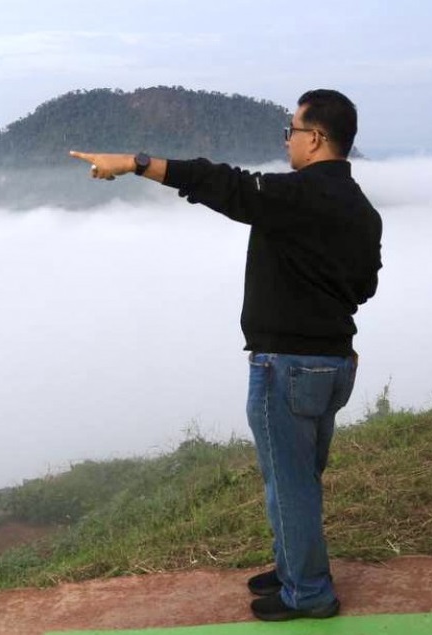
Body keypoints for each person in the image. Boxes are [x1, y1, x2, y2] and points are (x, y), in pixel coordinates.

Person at [70, 89, 382, 621]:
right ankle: (294, 569)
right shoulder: (362, 209)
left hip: (287, 364)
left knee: (289, 484)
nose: (286, 141)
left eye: (291, 131)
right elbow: (364, 287)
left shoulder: (294, 196)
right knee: (299, 478)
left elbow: (222, 183)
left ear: (315, 138)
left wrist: (135, 163)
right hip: (333, 363)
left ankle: (308, 592)